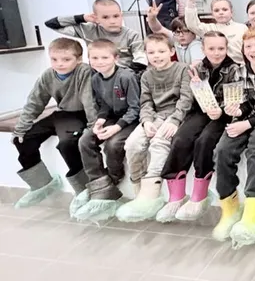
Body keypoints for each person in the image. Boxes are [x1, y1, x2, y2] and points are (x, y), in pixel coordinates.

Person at [156, 31, 237, 223]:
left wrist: (221, 112)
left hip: (223, 115)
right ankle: (176, 197)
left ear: (227, 48)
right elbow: (190, 99)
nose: (216, 52)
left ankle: (199, 196)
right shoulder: (196, 68)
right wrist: (196, 86)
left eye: (221, 48)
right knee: (181, 139)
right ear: (203, 49)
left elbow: (234, 100)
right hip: (201, 111)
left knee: (205, 140)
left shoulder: (235, 69)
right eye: (211, 48)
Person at [211, 28, 255, 247]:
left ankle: (251, 213)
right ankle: (230, 207)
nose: (253, 50)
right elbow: (242, 102)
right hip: (244, 118)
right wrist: (237, 110)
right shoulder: (239, 71)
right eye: (248, 46)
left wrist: (247, 123)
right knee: (222, 150)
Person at [115, 33, 193, 222]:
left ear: (172, 51)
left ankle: (151, 193)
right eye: (151, 52)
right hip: (155, 116)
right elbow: (146, 102)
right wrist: (146, 121)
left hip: (177, 115)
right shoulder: (146, 75)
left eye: (161, 51)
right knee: (132, 144)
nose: (156, 56)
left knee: (159, 142)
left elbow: (186, 99)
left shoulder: (183, 69)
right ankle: (139, 193)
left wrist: (175, 120)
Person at [11, 38, 96, 210]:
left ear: (79, 59)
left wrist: (93, 126)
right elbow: (35, 102)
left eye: (66, 59)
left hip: (80, 114)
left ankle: (85, 189)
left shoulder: (84, 72)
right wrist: (21, 127)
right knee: (23, 139)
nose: (59, 64)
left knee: (67, 144)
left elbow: (89, 101)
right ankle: (42, 184)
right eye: (54, 59)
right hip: (61, 113)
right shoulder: (48, 75)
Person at [74, 39, 141, 223]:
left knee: (113, 144)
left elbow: (135, 108)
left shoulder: (126, 77)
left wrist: (116, 128)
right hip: (113, 118)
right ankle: (99, 184)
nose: (100, 62)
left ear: (115, 58)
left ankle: (113, 179)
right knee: (85, 140)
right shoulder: (96, 79)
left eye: (105, 57)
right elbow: (103, 104)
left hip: (131, 120)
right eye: (95, 58)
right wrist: (101, 120)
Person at [45, 0, 147, 72]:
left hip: (125, 77)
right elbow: (52, 24)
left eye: (116, 16)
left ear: (121, 15)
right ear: (96, 18)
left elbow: (141, 61)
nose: (112, 21)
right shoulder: (89, 30)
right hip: (96, 76)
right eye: (105, 17)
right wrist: (82, 18)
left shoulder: (132, 35)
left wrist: (119, 76)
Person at [184, 0, 246, 65]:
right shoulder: (210, 29)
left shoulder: (242, 28)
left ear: (231, 12)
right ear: (212, 14)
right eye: (216, 10)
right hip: (217, 68)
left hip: (240, 66)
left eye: (225, 9)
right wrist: (191, 1)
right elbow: (192, 25)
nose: (221, 12)